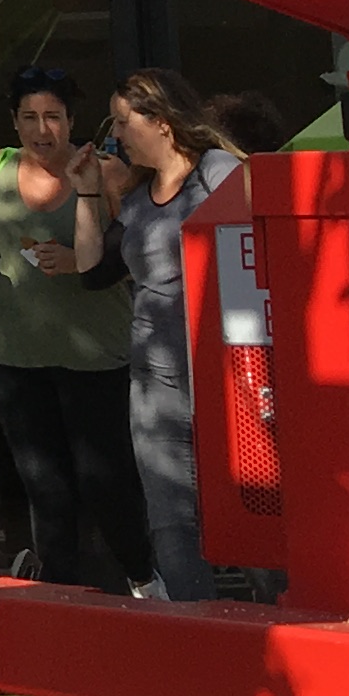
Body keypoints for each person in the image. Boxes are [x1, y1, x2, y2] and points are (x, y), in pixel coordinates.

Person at [0, 66, 149, 593]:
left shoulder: (105, 173)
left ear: (71, 122)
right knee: (43, 486)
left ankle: (146, 580)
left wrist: (80, 260)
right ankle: (57, 593)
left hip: (95, 356)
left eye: (52, 117)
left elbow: (138, 254)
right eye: (30, 117)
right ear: (14, 122)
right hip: (14, 355)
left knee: (106, 483)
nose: (42, 129)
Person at [69, 65, 242, 604]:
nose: (115, 135)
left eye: (123, 121)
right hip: (156, 377)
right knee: (170, 517)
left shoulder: (219, 172)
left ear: (161, 120)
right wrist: (87, 194)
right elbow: (92, 269)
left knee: (252, 500)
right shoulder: (141, 199)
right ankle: (199, 630)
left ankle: (277, 618)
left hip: (226, 367)